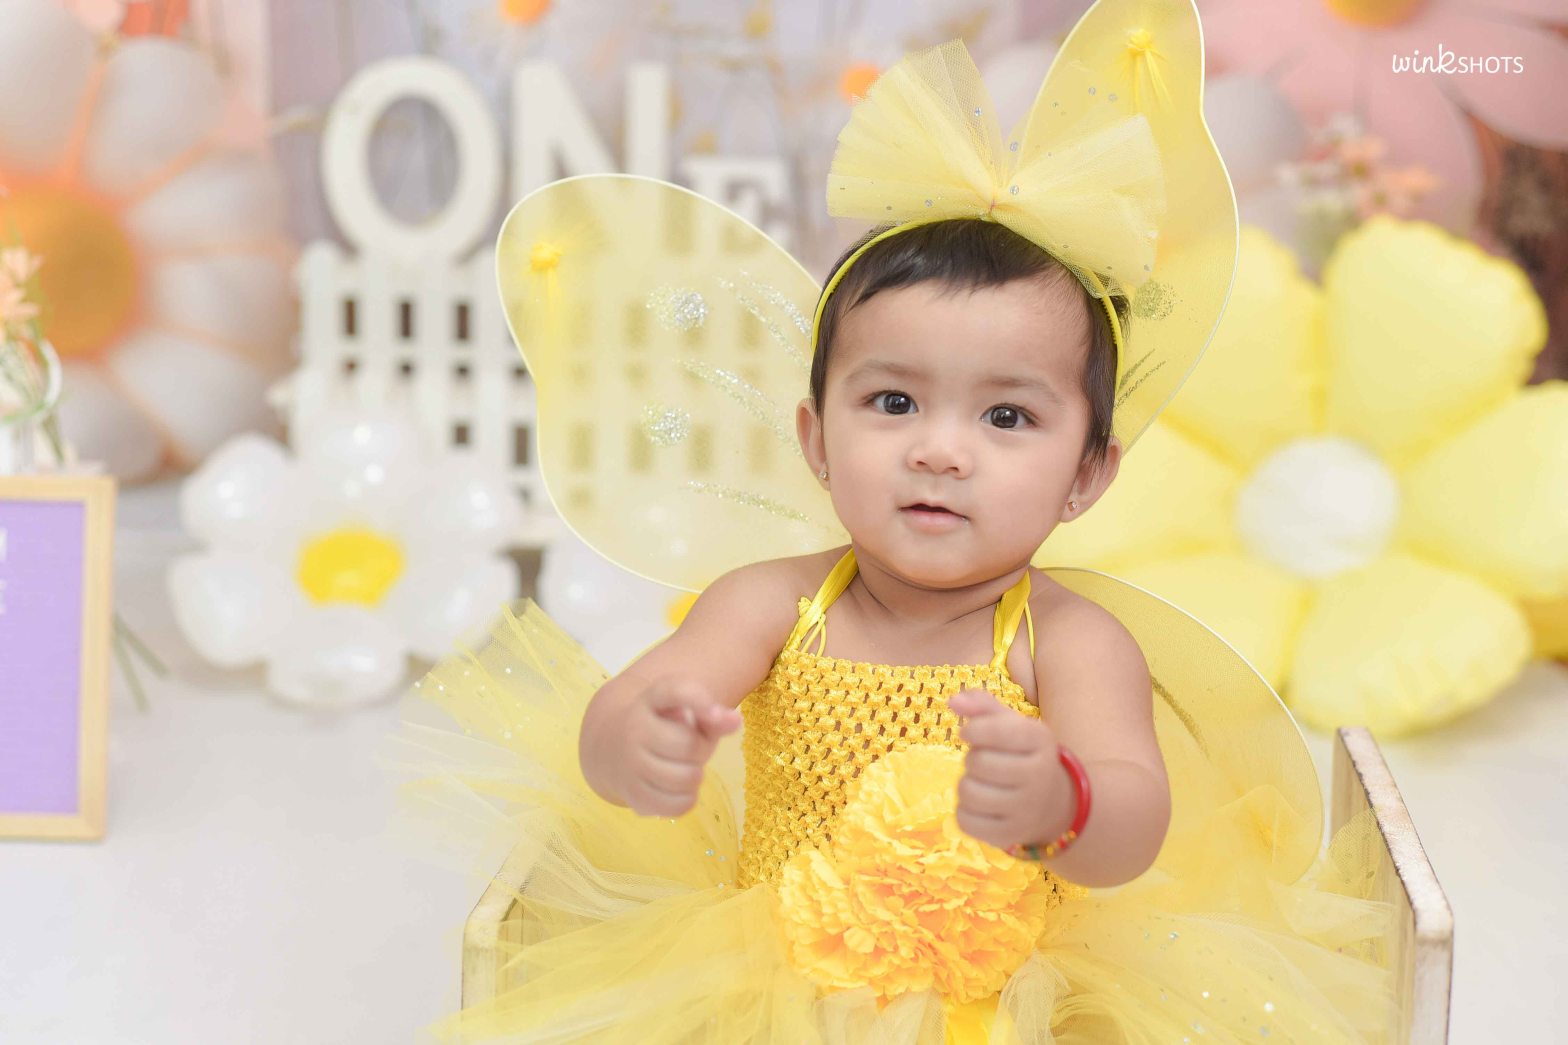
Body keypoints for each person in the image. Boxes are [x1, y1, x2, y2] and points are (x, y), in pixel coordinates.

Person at [400, 1, 1400, 1040]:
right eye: (892, 402)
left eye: (1005, 416)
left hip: (1005, 988)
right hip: (777, 977)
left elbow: (1133, 822)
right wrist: (637, 739)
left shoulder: (1068, 641)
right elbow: (630, 708)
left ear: (1085, 475)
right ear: (816, 439)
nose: (939, 450)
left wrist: (1063, 805)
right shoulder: (770, 602)